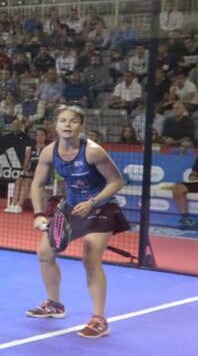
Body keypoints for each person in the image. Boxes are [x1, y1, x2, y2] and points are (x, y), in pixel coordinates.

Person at [24, 106, 128, 339]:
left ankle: (99, 319)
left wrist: (93, 201)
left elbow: (116, 182)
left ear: (81, 126)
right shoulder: (49, 152)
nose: (67, 124)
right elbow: (37, 184)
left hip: (101, 207)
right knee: (44, 253)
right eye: (62, 120)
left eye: (73, 121)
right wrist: (38, 213)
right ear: (56, 125)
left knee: (90, 257)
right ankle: (54, 304)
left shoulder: (93, 152)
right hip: (71, 206)